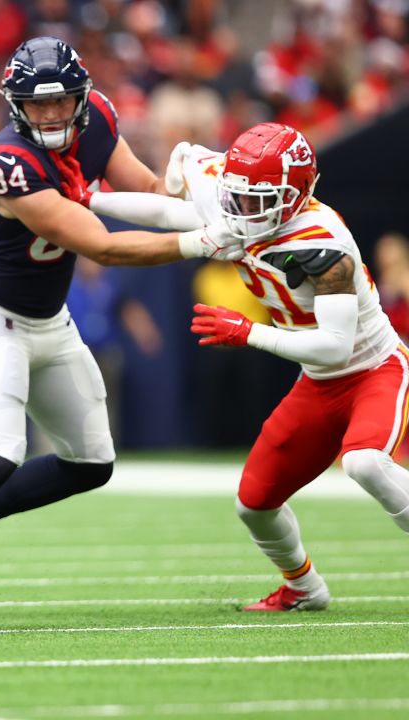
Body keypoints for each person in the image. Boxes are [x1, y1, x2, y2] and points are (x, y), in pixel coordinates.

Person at [0, 37, 240, 600]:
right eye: (37, 103)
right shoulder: (9, 160)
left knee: (92, 462)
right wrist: (205, 241)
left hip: (49, 320)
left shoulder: (98, 117)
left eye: (61, 101)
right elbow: (102, 247)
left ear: (81, 97)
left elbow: (149, 189)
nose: (51, 113)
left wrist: (199, 192)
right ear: (15, 104)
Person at [87, 122, 409, 611]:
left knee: (365, 462)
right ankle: (304, 588)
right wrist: (89, 201)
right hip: (318, 384)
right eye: (239, 196)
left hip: (372, 368)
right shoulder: (232, 187)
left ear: (298, 193)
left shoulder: (324, 245)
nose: (244, 209)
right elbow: (170, 207)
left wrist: (249, 332)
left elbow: (336, 349)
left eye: (262, 199)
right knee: (254, 504)